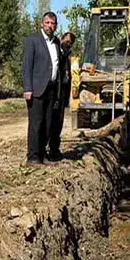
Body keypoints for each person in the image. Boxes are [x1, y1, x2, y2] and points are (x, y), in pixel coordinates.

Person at [22, 12, 61, 165]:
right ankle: (33, 156)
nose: (50, 26)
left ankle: (43, 154)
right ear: (42, 24)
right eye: (47, 23)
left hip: (51, 89)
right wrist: (27, 88)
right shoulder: (32, 40)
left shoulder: (56, 42)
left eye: (53, 23)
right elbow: (26, 66)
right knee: (36, 124)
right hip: (36, 89)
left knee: (48, 124)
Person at [48, 31, 76, 160]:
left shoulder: (66, 56)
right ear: (62, 38)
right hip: (54, 94)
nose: (67, 44)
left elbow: (67, 77)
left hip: (62, 95)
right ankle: (46, 149)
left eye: (70, 43)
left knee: (58, 123)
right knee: (50, 122)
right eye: (66, 41)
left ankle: (54, 149)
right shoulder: (56, 53)